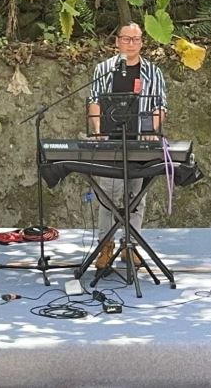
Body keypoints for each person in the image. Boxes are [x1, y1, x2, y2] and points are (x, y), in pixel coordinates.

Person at [87, 22, 168, 269]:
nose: (131, 44)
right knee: (107, 196)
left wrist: (150, 130)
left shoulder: (153, 72)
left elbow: (160, 106)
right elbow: (94, 101)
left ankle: (130, 246)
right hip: (111, 142)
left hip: (139, 142)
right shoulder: (104, 70)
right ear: (117, 41)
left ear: (142, 43)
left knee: (136, 196)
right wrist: (99, 131)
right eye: (126, 39)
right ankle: (105, 246)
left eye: (136, 39)